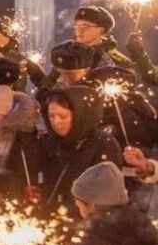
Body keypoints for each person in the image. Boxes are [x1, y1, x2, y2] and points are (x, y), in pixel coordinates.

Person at [37, 85, 123, 214]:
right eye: (51, 116)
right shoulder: (49, 141)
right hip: (50, 217)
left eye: (62, 116)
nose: (56, 122)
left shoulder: (103, 144)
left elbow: (106, 196)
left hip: (86, 218)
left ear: (79, 115)